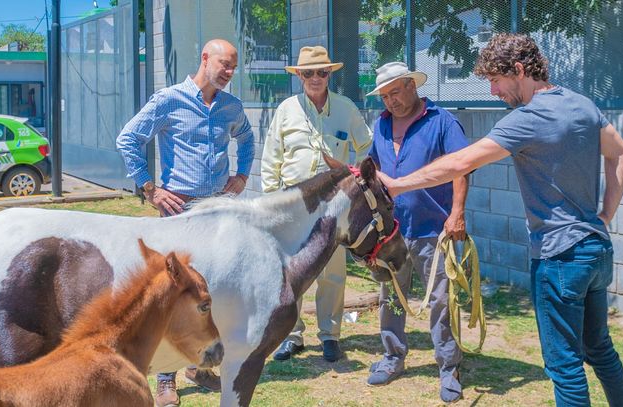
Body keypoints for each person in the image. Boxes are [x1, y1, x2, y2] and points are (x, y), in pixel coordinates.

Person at [378, 34, 623, 406]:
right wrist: (605, 215)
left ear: (519, 70)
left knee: (564, 367)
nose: (494, 91)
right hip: (596, 249)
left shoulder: (527, 119)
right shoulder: (582, 105)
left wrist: (398, 186)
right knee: (601, 351)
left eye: (496, 81)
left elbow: (460, 162)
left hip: (559, 257)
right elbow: (621, 153)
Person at [117, 38, 255, 407]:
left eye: (233, 67)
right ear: (204, 58)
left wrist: (241, 175)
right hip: (178, 211)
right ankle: (166, 379)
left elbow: (247, 139)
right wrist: (150, 188)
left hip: (219, 213)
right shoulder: (169, 100)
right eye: (224, 64)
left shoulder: (231, 106)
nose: (228, 73)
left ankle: (201, 364)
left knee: (215, 288)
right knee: (175, 294)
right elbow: (128, 138)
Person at [364, 62, 469, 403]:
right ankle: (393, 356)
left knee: (440, 299)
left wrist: (456, 214)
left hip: (432, 230)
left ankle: (449, 367)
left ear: (412, 85)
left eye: (395, 92)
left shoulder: (441, 121)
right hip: (391, 231)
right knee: (391, 294)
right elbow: (373, 169)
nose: (390, 101)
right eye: (384, 96)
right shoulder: (380, 125)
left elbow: (462, 168)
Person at [260, 45, 372, 363]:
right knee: (291, 274)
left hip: (333, 207)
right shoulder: (285, 110)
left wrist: (357, 182)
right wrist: (272, 203)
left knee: (332, 272)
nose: (315, 78)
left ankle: (330, 336)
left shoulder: (346, 108)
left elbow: (367, 147)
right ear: (299, 76)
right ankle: (292, 335)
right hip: (293, 208)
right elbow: (272, 159)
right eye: (308, 73)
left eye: (321, 72)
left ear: (329, 74)